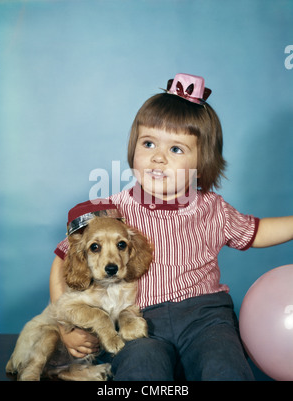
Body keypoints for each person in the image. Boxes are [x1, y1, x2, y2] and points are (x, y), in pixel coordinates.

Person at [50, 73, 293, 380]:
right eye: (148, 143)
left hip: (206, 317)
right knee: (140, 368)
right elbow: (62, 259)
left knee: (224, 364)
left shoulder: (212, 208)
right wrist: (67, 327)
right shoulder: (110, 211)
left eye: (176, 149)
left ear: (201, 161)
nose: (158, 157)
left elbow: (256, 232)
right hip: (137, 318)